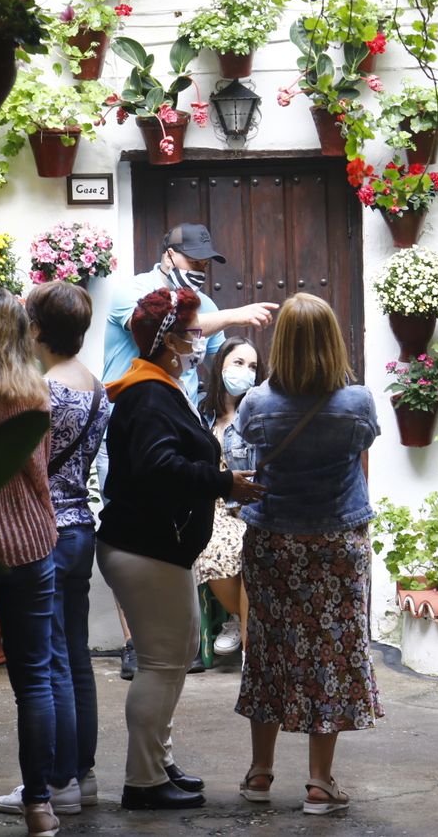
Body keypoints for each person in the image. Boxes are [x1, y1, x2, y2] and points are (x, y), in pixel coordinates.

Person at [95, 287, 267, 810]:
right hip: (146, 548)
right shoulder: (149, 394)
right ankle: (143, 781)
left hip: (158, 549)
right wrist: (223, 483)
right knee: (160, 663)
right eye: (194, 332)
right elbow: (158, 467)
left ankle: (159, 763)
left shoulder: (160, 386)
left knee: (173, 659)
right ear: (168, 341)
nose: (201, 340)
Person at [100, 222, 277, 680]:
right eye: (191, 259)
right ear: (167, 254)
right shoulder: (134, 293)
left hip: (181, 423)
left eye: (204, 262)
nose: (199, 268)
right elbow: (162, 325)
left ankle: (182, 640)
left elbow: (213, 363)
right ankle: (137, 643)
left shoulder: (207, 308)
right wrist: (234, 315)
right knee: (134, 525)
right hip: (136, 424)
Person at [233, 293, 382, 816]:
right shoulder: (358, 402)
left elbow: (243, 447)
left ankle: (260, 772)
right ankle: (319, 783)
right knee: (332, 654)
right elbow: (362, 448)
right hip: (337, 543)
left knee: (269, 649)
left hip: (273, 542)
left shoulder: (257, 404)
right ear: (332, 340)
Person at [0, 282, 109, 819]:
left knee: (53, 660)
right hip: (81, 523)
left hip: (48, 531)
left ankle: (57, 780)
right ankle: (82, 773)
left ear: (36, 328)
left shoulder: (43, 391)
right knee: (77, 658)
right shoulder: (96, 387)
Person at [0, 288, 61, 837]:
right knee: (35, 682)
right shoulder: (34, 394)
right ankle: (39, 806)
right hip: (29, 548)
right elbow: (38, 476)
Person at [195, 337, 263, 659]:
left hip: (247, 507)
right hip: (211, 505)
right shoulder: (199, 411)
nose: (245, 371)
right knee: (211, 546)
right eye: (238, 363)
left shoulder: (258, 414)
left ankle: (248, 641)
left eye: (252, 367)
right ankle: (241, 619)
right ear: (220, 364)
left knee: (250, 550)